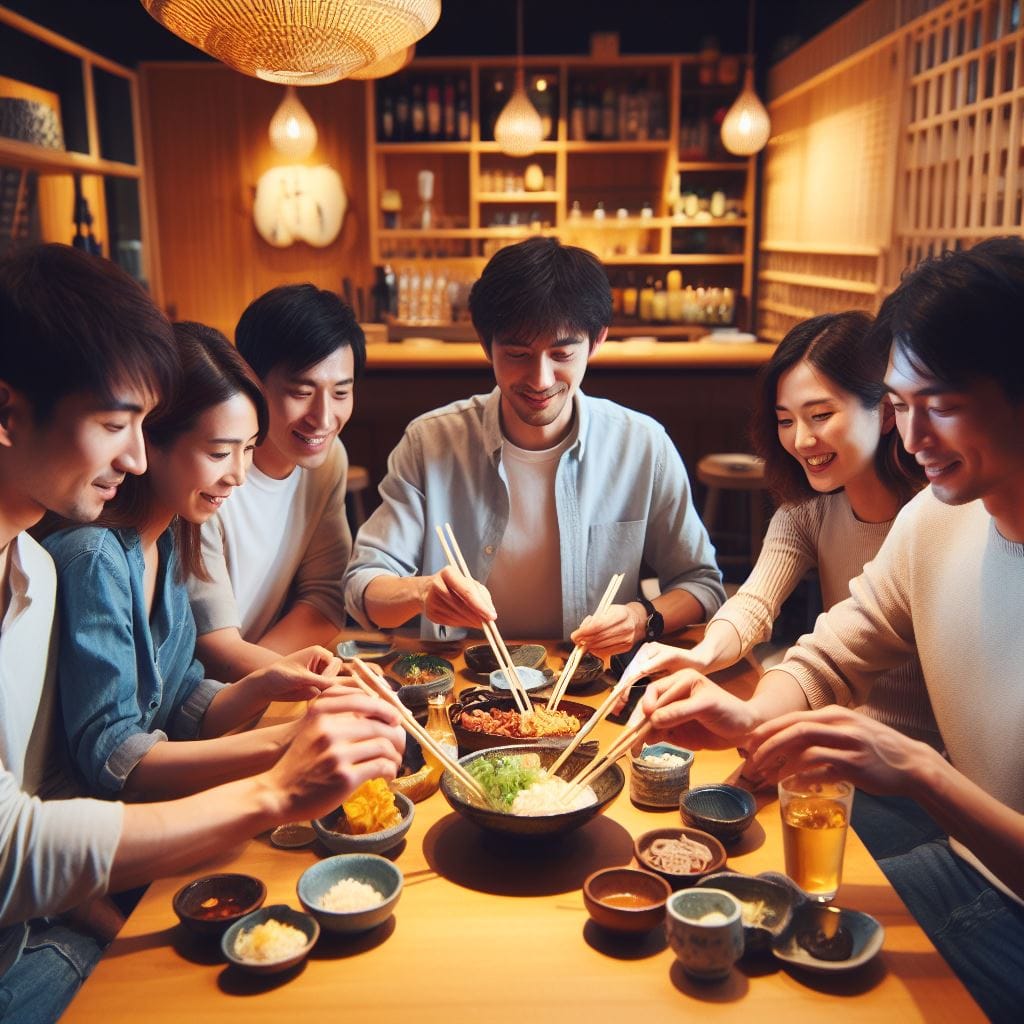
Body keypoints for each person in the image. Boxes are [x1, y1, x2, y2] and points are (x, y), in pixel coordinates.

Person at [0, 245, 403, 1023]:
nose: (134, 455)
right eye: (116, 424)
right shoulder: (84, 557)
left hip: (57, 906)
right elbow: (81, 784)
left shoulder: (44, 568)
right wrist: (276, 771)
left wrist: (272, 689)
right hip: (41, 937)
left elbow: (182, 692)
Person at [635, 236, 1024, 1022]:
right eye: (902, 405)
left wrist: (920, 772)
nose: (914, 437)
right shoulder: (934, 521)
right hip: (961, 859)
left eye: (942, 405)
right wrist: (745, 714)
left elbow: (917, 767)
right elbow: (828, 654)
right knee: (724, 918)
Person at [344, 237, 725, 656]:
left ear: (596, 341)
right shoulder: (430, 443)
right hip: (461, 678)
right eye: (518, 354)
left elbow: (701, 584)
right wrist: (421, 593)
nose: (541, 380)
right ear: (485, 343)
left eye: (562, 353)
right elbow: (364, 586)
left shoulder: (641, 446)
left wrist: (641, 618)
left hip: (587, 678)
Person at [44, 322, 350, 800]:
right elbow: (114, 757)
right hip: (100, 828)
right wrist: (284, 741)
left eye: (249, 449)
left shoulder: (167, 539)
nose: (239, 475)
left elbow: (184, 702)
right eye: (220, 452)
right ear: (151, 441)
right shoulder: (95, 558)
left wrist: (269, 681)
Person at [630, 311, 941, 752]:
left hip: (922, 761)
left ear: (887, 412)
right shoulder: (808, 510)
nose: (801, 440)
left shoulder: (933, 517)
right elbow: (756, 603)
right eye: (786, 420)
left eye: (820, 415)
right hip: (839, 742)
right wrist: (701, 655)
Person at [188, 285, 363, 681]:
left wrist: (268, 679)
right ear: (249, 380)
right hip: (196, 695)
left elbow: (326, 596)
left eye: (341, 393)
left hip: (249, 681)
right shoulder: (209, 471)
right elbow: (212, 645)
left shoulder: (327, 460)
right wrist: (277, 680)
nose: (323, 419)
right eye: (301, 392)